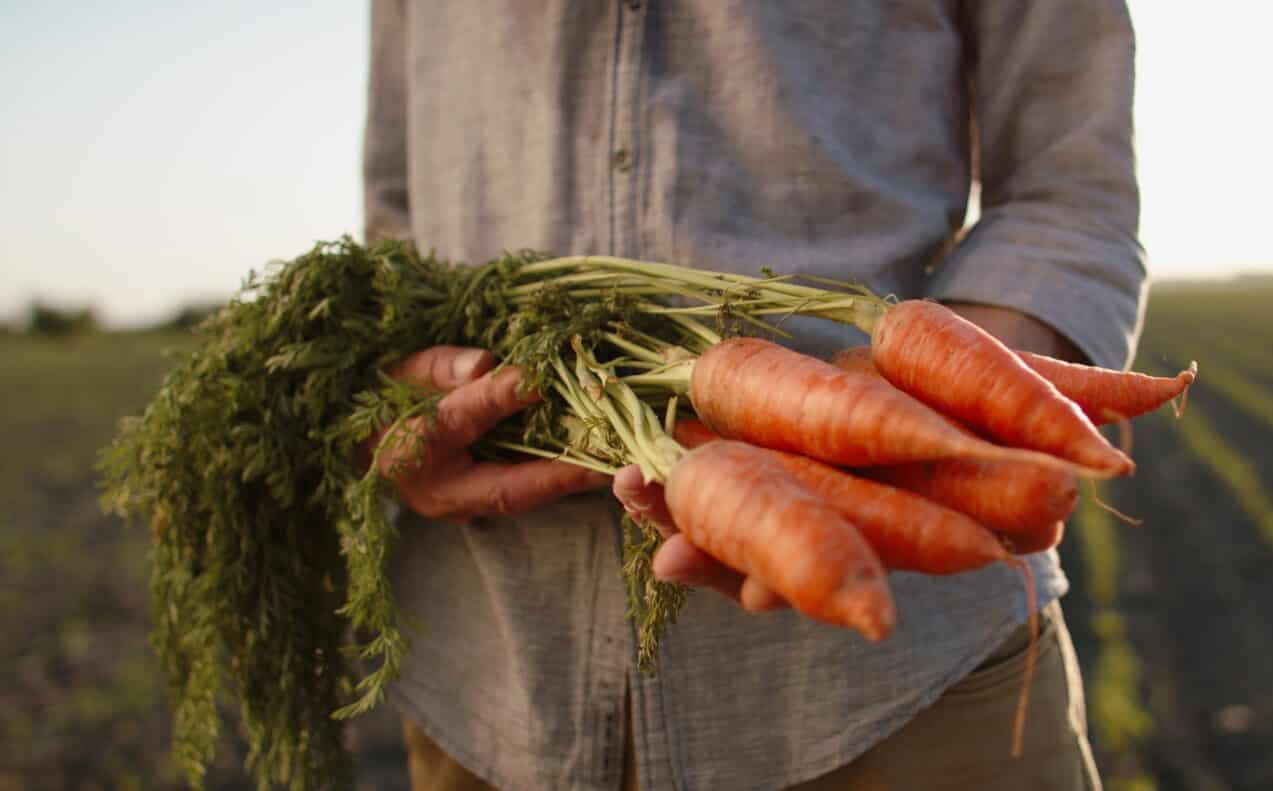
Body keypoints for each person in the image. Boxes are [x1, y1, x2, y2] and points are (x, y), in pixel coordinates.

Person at [362, 1, 1145, 789]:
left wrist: (935, 424)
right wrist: (399, 403)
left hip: (912, 682)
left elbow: (1069, 186)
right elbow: (392, 228)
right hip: (489, 669)